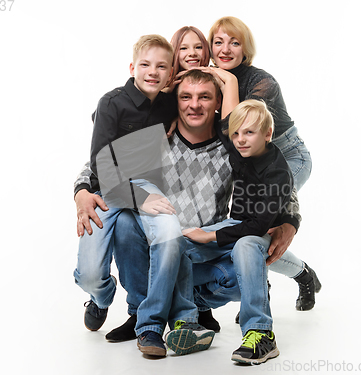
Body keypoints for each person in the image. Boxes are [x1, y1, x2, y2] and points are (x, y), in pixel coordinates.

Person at [73, 70, 303, 344]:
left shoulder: (234, 145)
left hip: (201, 253)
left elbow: (273, 174)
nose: (195, 105)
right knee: (124, 221)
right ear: (176, 102)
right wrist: (82, 190)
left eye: (204, 97)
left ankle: (189, 309)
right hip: (154, 254)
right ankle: (142, 311)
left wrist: (291, 220)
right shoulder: (157, 139)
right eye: (186, 97)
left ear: (218, 102)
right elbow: (101, 165)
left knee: (241, 273)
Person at [73, 34, 214, 358]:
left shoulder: (167, 102)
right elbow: (101, 164)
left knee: (169, 233)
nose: (153, 72)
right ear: (132, 67)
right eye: (146, 65)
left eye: (161, 67)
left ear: (170, 74)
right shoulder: (112, 102)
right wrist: (128, 197)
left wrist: (185, 76)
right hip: (105, 189)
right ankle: (100, 298)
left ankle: (150, 325)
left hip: (146, 186)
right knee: (92, 274)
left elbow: (190, 91)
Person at [166, 99, 299, 364]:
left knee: (246, 245)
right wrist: (170, 117)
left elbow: (259, 224)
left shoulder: (278, 172)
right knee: (180, 245)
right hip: (235, 222)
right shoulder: (239, 147)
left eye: (249, 132)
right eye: (236, 133)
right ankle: (188, 320)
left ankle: (260, 333)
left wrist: (211, 235)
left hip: (259, 231)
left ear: (267, 134)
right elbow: (217, 123)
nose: (240, 139)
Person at [206, 16, 321, 313]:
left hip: (287, 158)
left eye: (234, 42)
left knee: (258, 231)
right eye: (218, 42)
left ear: (246, 49)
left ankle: (287, 281)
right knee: (252, 232)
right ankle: (290, 277)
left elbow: (234, 131)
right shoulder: (211, 81)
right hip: (249, 166)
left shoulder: (262, 82)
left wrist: (290, 220)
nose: (225, 49)